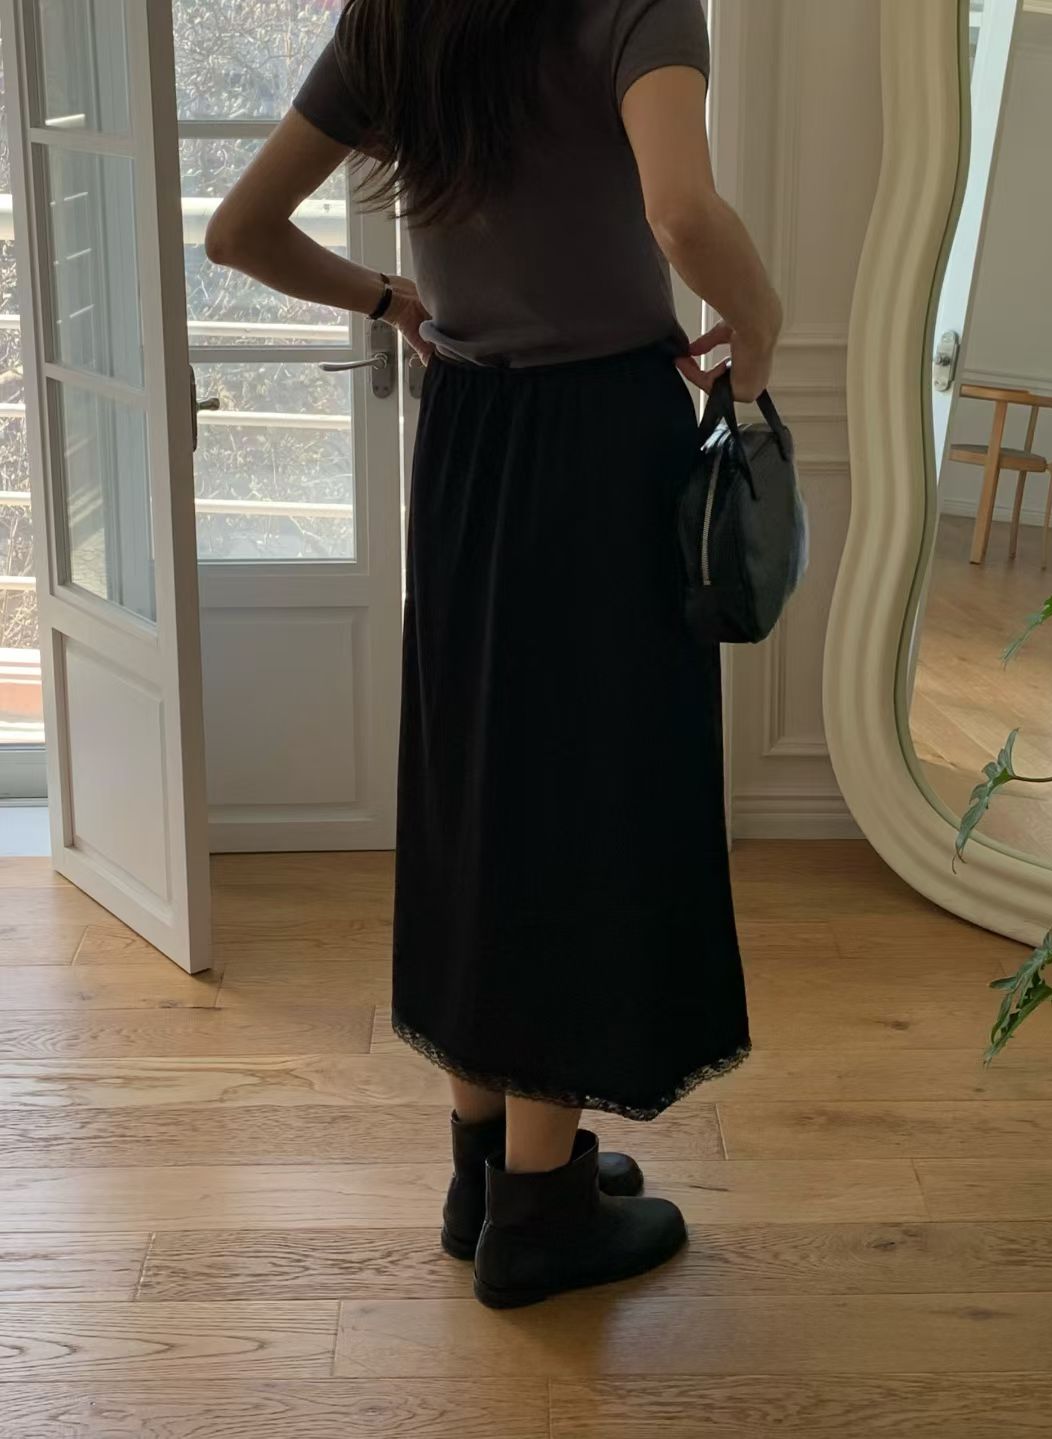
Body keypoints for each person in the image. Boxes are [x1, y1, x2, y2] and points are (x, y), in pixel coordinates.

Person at [206, 0, 781, 1309]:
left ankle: (490, 1170)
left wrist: (386, 297)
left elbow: (239, 232)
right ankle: (540, 1216)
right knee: (575, 803)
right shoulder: (636, 3)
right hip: (602, 449)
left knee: (480, 784)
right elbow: (682, 212)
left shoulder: (399, 12)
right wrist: (760, 317)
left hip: (465, 439)